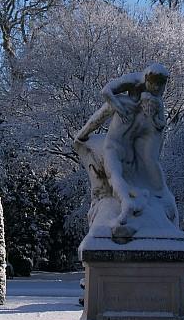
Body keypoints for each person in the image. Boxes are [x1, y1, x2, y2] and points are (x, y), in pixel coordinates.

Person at [74, 63, 177, 231]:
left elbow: (96, 120)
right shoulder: (128, 100)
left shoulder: (147, 113)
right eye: (154, 85)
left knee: (116, 174)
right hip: (121, 151)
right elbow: (104, 98)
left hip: (116, 149)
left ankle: (128, 200)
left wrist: (81, 136)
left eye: (160, 86)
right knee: (117, 174)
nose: (157, 89)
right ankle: (131, 199)